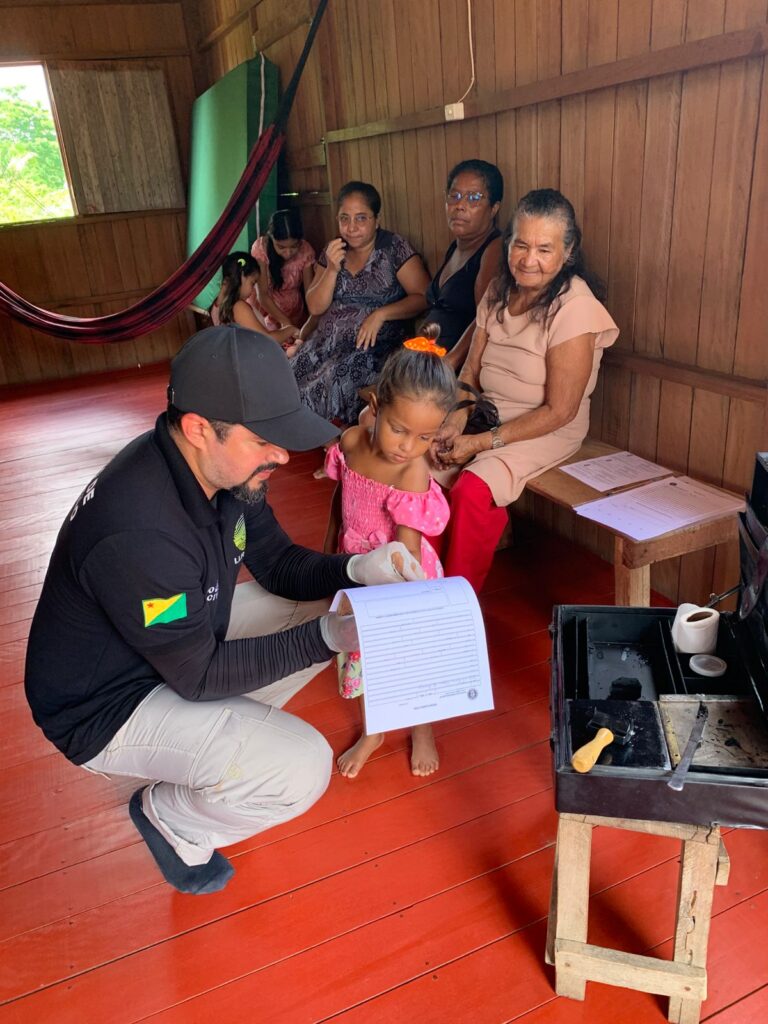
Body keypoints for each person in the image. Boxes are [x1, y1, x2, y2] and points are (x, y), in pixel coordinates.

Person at [24, 325, 425, 895]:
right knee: (300, 767)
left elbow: (281, 566)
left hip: (171, 649)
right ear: (198, 429)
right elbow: (199, 675)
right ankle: (172, 816)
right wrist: (332, 636)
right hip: (106, 705)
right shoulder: (140, 530)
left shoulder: (222, 472)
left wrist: (358, 570)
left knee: (329, 598)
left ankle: (218, 740)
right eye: (265, 439)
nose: (282, 455)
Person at [434, 188, 619, 594]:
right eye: (520, 244)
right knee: (425, 466)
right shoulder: (500, 290)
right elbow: (472, 368)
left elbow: (561, 411)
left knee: (470, 490)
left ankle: (454, 602)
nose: (528, 259)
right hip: (488, 413)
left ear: (568, 253)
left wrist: (481, 443)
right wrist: (459, 412)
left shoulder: (575, 308)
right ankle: (419, 584)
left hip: (546, 428)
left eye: (544, 249)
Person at [323, 327, 455, 779]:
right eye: (400, 430)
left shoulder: (412, 471)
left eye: (424, 437)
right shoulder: (350, 443)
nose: (407, 447)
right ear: (375, 408)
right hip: (355, 570)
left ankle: (422, 727)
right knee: (361, 655)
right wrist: (327, 563)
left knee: (407, 658)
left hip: (402, 580)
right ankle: (374, 730)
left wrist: (399, 614)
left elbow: (406, 555)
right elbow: (339, 507)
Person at [290, 180, 431, 427]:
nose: (352, 227)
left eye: (361, 218)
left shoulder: (393, 248)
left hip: (372, 350)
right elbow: (315, 307)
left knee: (331, 379)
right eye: (344, 219)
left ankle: (326, 439)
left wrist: (381, 314)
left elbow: (422, 297)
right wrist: (332, 269)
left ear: (376, 220)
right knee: (288, 372)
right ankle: (296, 427)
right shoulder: (334, 251)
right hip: (326, 343)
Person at [424, 159, 504, 370]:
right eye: (455, 195)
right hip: (427, 361)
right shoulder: (456, 246)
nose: (460, 205)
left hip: (455, 371)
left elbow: (484, 321)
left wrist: (449, 363)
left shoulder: (493, 251)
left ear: (494, 208)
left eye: (474, 198)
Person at [210, 252, 300, 350]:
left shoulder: (216, 306)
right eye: (252, 283)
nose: (253, 290)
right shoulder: (238, 307)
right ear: (241, 276)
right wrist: (290, 330)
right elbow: (266, 339)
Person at [250, 208, 316, 341]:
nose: (288, 253)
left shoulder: (306, 250)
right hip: (266, 311)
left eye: (294, 246)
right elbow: (262, 295)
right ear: (271, 238)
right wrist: (286, 324)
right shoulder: (261, 249)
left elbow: (310, 293)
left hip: (294, 311)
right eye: (281, 247)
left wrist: (312, 324)